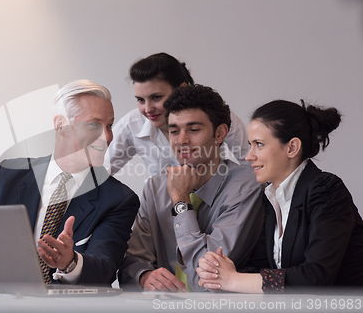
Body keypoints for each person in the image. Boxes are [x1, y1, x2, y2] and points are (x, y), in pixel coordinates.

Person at [0, 80, 140, 285]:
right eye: (95, 124)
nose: (108, 136)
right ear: (60, 125)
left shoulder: (118, 199)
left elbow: (105, 267)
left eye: (109, 125)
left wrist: (71, 262)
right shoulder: (9, 175)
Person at [197, 100, 363, 293]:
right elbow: (262, 265)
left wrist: (233, 280)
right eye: (250, 145)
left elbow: (316, 277)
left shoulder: (325, 189)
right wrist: (218, 275)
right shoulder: (272, 197)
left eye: (259, 144)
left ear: (292, 147)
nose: (249, 156)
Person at [118, 84, 263, 292]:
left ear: (220, 133)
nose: (182, 140)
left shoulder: (246, 187)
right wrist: (144, 276)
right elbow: (131, 263)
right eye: (174, 131)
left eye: (194, 130)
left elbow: (205, 279)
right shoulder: (155, 187)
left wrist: (180, 200)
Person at [107, 52, 249, 177]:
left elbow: (249, 164)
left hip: (219, 202)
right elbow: (98, 174)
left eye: (156, 97)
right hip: (164, 204)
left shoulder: (217, 115)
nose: (148, 109)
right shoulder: (131, 124)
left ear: (182, 89)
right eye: (140, 100)